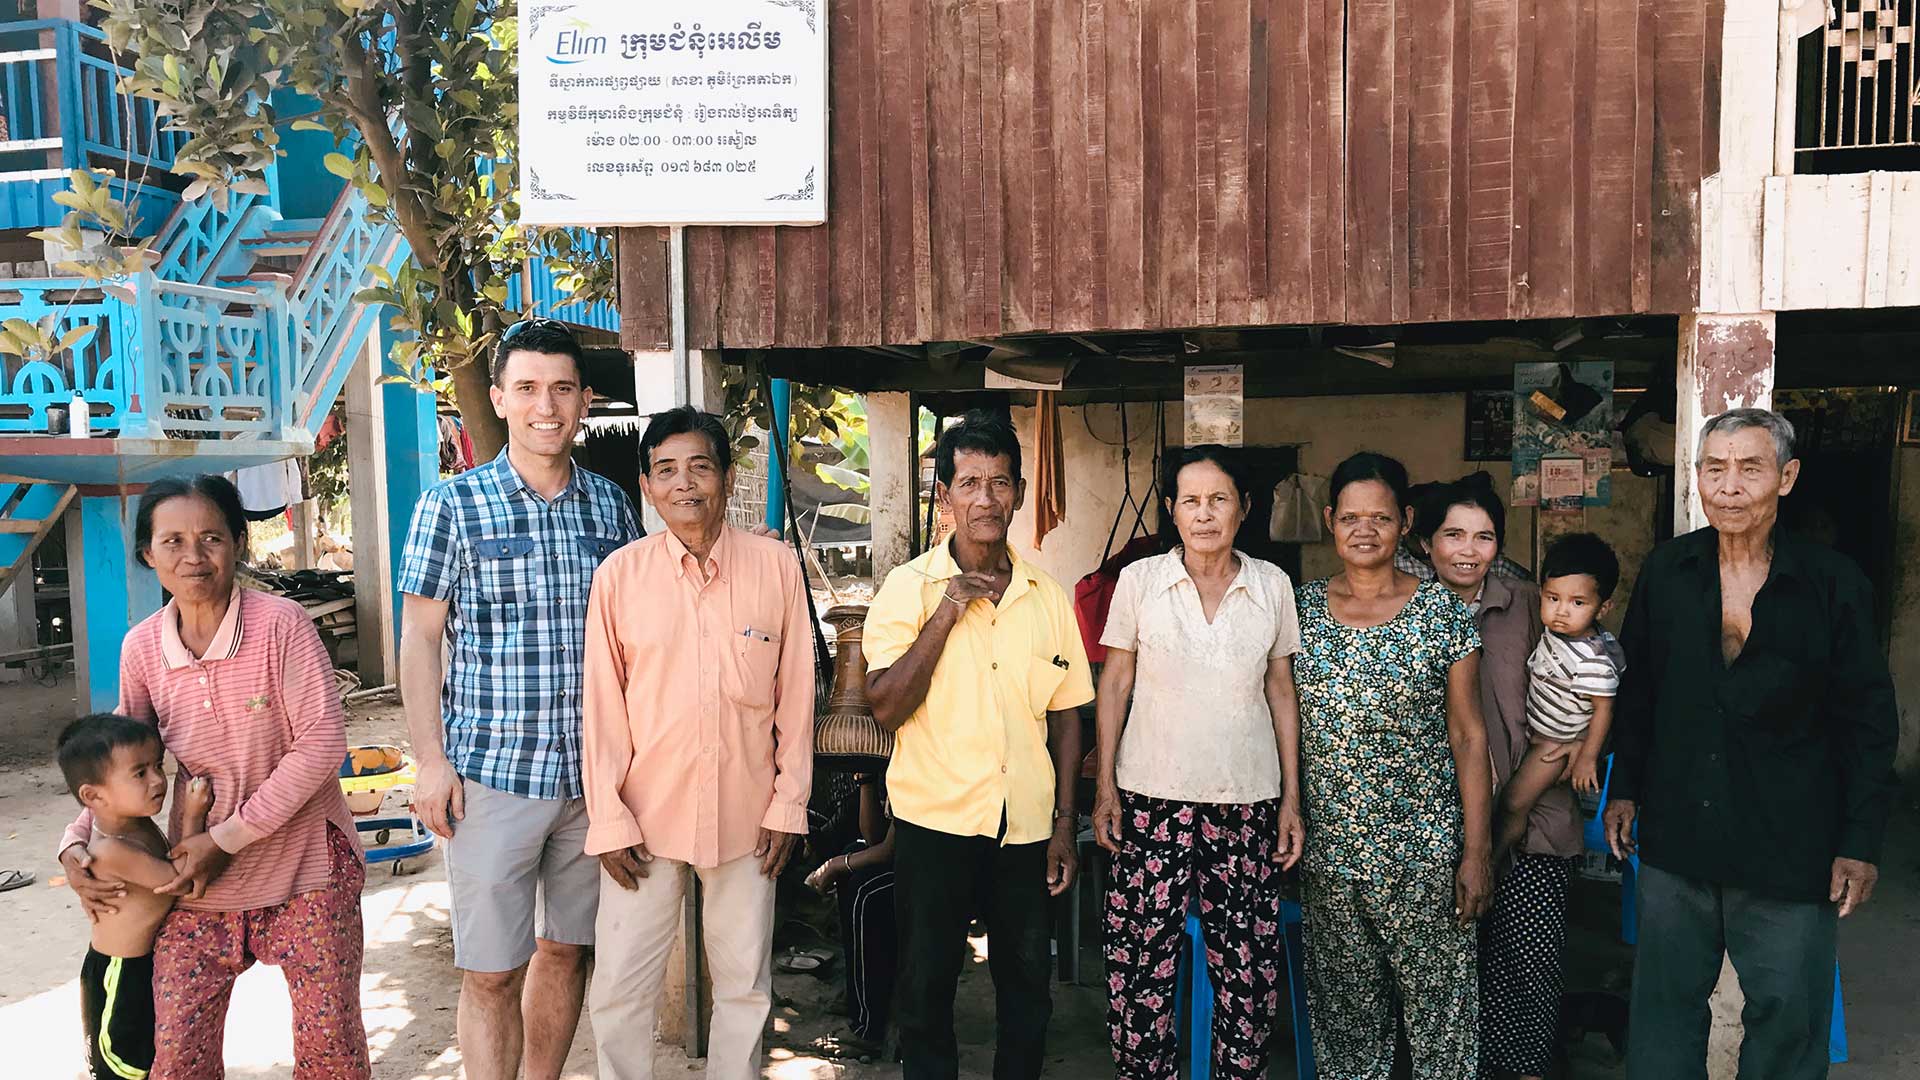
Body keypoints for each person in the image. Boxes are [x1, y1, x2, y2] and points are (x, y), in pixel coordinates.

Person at [1604, 408, 1898, 1080]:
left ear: (1786, 478)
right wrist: (1625, 787)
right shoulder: (1668, 571)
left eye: (1749, 467)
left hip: (1790, 844)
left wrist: (1859, 840)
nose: (1729, 485)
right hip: (1679, 835)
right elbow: (1640, 687)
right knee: (1663, 1015)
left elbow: (1868, 719)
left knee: (1789, 1022)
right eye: (1714, 468)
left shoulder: (1832, 584)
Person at [56, 474, 371, 1078]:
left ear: (239, 544)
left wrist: (226, 839)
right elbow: (112, 758)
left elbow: (322, 743)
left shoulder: (281, 625)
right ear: (148, 555)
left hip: (304, 867)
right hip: (196, 880)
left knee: (330, 1047)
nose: (193, 556)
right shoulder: (142, 647)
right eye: (171, 541)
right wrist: (74, 844)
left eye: (211, 538)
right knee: (176, 1054)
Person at [396, 318, 642, 1080]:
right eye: (528, 387)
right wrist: (430, 763)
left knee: (567, 951)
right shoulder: (453, 506)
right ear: (500, 398)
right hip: (491, 780)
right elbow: (418, 641)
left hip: (588, 786)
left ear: (584, 399)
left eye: (562, 388)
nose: (547, 405)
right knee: (492, 971)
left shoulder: (611, 508)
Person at [579, 405, 813, 1080]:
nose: (685, 484)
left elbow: (796, 697)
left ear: (727, 477)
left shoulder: (775, 568)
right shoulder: (619, 578)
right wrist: (608, 816)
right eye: (667, 471)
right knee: (620, 991)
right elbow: (602, 707)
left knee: (744, 986)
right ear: (647, 486)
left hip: (748, 815)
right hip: (641, 821)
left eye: (700, 467)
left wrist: (788, 803)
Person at [863, 409, 1094, 1080]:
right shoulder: (908, 590)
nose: (986, 499)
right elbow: (885, 708)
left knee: (1028, 997)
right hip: (935, 823)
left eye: (999, 482)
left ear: (1019, 492)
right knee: (925, 992)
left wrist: (1061, 827)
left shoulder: (1047, 597)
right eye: (969, 482)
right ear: (945, 495)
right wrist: (948, 610)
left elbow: (1067, 716)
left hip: (1023, 832)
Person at [1090, 444, 1305, 1080]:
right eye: (1191, 500)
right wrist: (1105, 786)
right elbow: (1116, 684)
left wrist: (1292, 798)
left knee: (1246, 974)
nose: (1205, 513)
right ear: (1172, 510)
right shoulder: (1141, 581)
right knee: (1139, 970)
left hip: (1247, 803)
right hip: (1151, 800)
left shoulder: (1271, 585)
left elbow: (1281, 690)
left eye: (1219, 499)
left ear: (1245, 508)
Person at [1292, 452, 1494, 1080]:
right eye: (1350, 517)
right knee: (1347, 1028)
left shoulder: (1442, 614)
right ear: (1330, 521)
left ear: (1405, 521)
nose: (1364, 529)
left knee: (1443, 1023)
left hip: (1426, 857)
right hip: (1332, 857)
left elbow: (1468, 735)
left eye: (1380, 517)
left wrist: (1477, 850)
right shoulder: (1297, 612)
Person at [1410, 480, 1583, 1080]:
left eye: (1483, 537)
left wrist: (1509, 816)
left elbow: (1573, 718)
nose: (1467, 550)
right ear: (1424, 542)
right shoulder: (1406, 614)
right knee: (1447, 987)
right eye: (1452, 535)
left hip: (1534, 819)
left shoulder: (1534, 606)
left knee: (1525, 977)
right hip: (1433, 832)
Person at [56, 714, 213, 1080]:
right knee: (124, 1068)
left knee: (149, 1059)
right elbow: (182, 882)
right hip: (119, 973)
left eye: (158, 765)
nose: (158, 779)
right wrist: (193, 818)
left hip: (140, 964)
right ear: (93, 796)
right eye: (139, 773)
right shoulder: (111, 850)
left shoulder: (137, 824)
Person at [1490, 533, 1623, 865]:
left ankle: (1493, 862)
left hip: (1555, 745)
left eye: (1578, 603)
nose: (1562, 611)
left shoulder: (1594, 659)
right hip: (1543, 735)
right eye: (1553, 598)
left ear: (1603, 607)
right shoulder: (1558, 631)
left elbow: (1605, 709)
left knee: (1513, 802)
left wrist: (1586, 756)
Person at [804, 773, 898, 1058]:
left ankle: (868, 1029)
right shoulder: (891, 761)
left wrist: (834, 865)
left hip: (941, 866)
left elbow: (891, 851)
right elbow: (873, 837)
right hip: (904, 855)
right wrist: (866, 780)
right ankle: (861, 996)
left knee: (865, 892)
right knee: (853, 858)